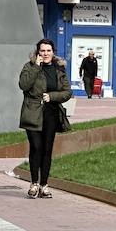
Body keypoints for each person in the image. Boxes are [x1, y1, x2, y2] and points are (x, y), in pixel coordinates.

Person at [19, 38, 72, 199]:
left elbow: (67, 92)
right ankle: (34, 183)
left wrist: (53, 96)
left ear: (53, 52)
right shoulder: (29, 66)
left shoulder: (59, 69)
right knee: (36, 147)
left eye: (48, 50)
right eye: (42, 51)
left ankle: (44, 185)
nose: (45, 53)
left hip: (51, 113)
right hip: (32, 112)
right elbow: (23, 85)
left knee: (47, 150)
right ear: (38, 52)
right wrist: (36, 66)